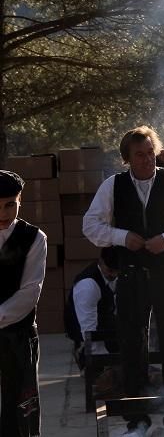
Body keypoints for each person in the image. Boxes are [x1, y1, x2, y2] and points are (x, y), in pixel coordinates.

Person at [83, 125, 164, 434]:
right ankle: (136, 420)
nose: (147, 160)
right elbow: (90, 226)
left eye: (151, 153)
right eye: (139, 155)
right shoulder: (113, 186)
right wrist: (122, 237)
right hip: (132, 275)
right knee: (131, 347)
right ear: (127, 158)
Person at [0, 170, 47, 437]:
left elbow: (30, 292)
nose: (4, 214)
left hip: (18, 336)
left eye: (10, 205)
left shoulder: (34, 238)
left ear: (20, 201)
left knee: (20, 413)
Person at [64, 247, 121, 368]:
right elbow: (88, 327)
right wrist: (103, 360)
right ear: (100, 262)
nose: (114, 275)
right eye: (110, 270)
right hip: (84, 328)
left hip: (106, 320)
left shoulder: (116, 275)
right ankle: (82, 354)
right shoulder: (88, 285)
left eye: (117, 271)